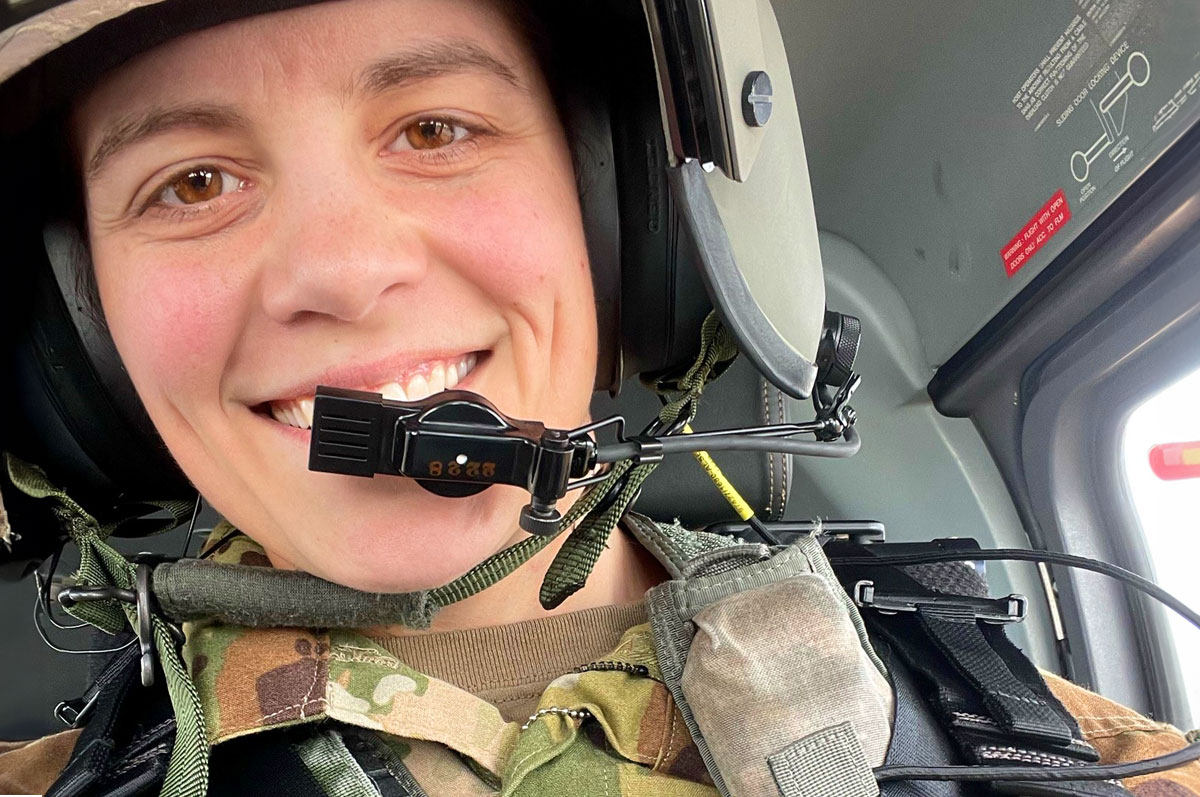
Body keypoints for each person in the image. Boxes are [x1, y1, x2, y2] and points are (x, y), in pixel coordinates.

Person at [0, 1, 1197, 795]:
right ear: (76, 345)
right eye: (192, 182)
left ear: (624, 218)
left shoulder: (1035, 743)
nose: (340, 270)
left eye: (435, 126)